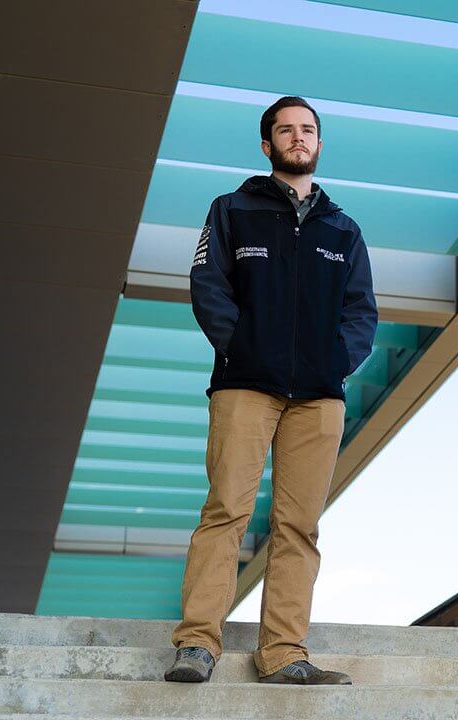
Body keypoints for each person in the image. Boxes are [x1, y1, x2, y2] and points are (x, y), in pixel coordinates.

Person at [164, 96, 378, 685]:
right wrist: (243, 349)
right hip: (245, 386)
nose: (298, 137)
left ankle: (283, 652)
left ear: (320, 143)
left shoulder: (344, 229)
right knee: (226, 510)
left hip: (318, 398)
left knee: (299, 526)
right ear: (267, 145)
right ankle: (197, 643)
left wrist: (333, 363)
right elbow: (208, 285)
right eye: (286, 130)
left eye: (308, 129)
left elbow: (361, 311)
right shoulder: (232, 210)